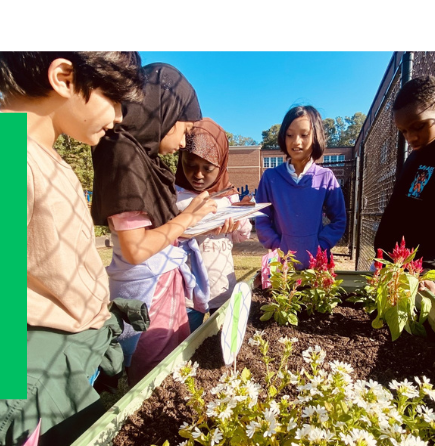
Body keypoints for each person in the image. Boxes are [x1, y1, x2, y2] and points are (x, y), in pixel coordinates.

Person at [0, 52, 151, 446]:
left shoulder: (46, 154)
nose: (118, 117)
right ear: (64, 77)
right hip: (31, 368)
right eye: (113, 99)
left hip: (66, 357)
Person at [91, 63, 216, 386]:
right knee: (153, 378)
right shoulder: (123, 155)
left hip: (162, 285)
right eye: (184, 130)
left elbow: (152, 231)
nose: (183, 142)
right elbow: (136, 248)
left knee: (172, 369)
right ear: (163, 110)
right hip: (147, 291)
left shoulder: (143, 157)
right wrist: (186, 218)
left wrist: (193, 220)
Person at [372, 76, 435, 293]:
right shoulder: (416, 155)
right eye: (404, 131)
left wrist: (432, 271)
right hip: (390, 261)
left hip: (417, 273)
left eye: (418, 126)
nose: (411, 137)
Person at [251, 105, 348, 276]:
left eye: (304, 135)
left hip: (317, 266)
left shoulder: (326, 177)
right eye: (290, 135)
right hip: (281, 267)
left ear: (315, 136)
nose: (296, 141)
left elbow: (339, 219)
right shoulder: (271, 178)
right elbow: (262, 218)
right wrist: (277, 245)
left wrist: (321, 245)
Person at [175, 118, 251, 314]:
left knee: (221, 340)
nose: (198, 174)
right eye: (190, 165)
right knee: (188, 341)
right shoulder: (174, 195)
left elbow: (240, 236)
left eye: (208, 168)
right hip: (187, 293)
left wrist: (240, 223)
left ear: (222, 164)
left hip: (222, 287)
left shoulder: (229, 196)